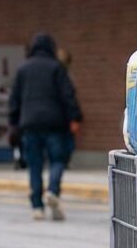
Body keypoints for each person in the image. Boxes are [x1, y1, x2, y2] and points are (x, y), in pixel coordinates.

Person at [8, 32, 82, 221]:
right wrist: (74, 117)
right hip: (54, 124)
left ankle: (37, 206)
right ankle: (53, 191)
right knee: (58, 160)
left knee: (34, 165)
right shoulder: (56, 68)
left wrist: (13, 123)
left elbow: (14, 99)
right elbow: (68, 95)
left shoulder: (23, 69)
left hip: (29, 124)